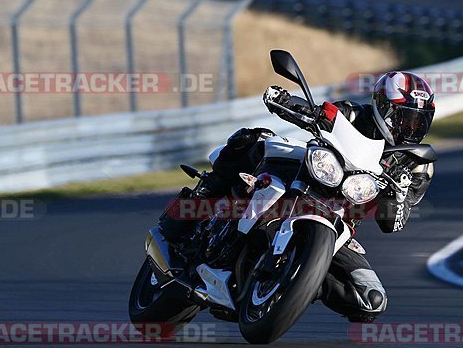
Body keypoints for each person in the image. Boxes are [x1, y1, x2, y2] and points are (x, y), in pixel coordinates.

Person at [166, 71, 436, 323]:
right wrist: (284, 101)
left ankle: (295, 283)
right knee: (253, 140)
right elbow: (320, 114)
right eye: (404, 118)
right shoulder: (353, 114)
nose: (410, 127)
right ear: (383, 107)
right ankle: (199, 199)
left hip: (340, 222)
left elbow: (393, 222)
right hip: (312, 176)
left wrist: (398, 193)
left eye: (419, 120)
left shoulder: (419, 164)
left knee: (370, 301)